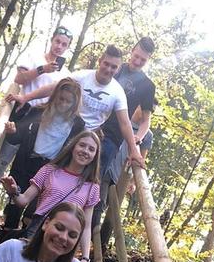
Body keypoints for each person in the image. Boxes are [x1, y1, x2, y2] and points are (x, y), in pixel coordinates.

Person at [8, 44, 145, 176]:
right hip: (66, 131)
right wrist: (26, 97)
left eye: (114, 67)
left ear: (118, 69)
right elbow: (54, 87)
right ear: (100, 61)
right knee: (44, 164)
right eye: (106, 64)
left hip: (87, 137)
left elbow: (124, 123)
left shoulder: (117, 92)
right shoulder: (82, 76)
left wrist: (133, 150)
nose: (109, 69)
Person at [0, 26, 74, 204]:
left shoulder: (66, 75)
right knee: (5, 156)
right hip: (22, 110)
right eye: (57, 41)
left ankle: (12, 203)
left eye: (64, 44)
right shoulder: (34, 57)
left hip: (41, 121)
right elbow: (19, 79)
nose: (59, 46)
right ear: (52, 40)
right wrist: (43, 69)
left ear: (68, 47)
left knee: (24, 163)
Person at [0, 130, 101, 262]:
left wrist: (85, 259)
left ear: (95, 156)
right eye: (82, 145)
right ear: (73, 146)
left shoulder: (92, 187)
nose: (85, 151)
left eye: (91, 149)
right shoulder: (49, 170)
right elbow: (23, 200)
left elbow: (86, 226)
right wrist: (14, 191)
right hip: (38, 230)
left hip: (66, 240)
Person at [2, 78, 85, 232]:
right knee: (15, 205)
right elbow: (17, 137)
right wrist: (12, 131)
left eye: (68, 101)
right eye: (61, 99)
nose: (63, 104)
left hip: (50, 169)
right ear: (55, 96)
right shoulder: (38, 112)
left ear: (74, 104)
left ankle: (26, 238)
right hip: (26, 162)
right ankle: (5, 236)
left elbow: (74, 152)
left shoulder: (77, 125)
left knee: (35, 211)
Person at [94, 37, 157, 227]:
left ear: (148, 59)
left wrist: (137, 138)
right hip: (92, 124)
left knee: (95, 179)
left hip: (113, 135)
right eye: (136, 56)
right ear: (132, 51)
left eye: (143, 60)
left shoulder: (147, 86)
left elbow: (145, 120)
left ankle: (83, 229)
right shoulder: (115, 67)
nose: (137, 62)